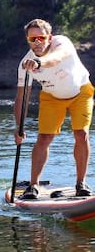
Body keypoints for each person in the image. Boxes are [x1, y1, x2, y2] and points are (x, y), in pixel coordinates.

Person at [14, 18, 94, 199]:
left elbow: (55, 58)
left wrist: (39, 63)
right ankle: (33, 186)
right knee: (44, 138)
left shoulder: (62, 43)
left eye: (40, 38)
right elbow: (21, 98)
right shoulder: (25, 64)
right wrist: (19, 127)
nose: (37, 43)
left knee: (81, 134)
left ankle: (81, 184)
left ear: (49, 38)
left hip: (81, 92)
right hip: (51, 97)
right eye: (32, 39)